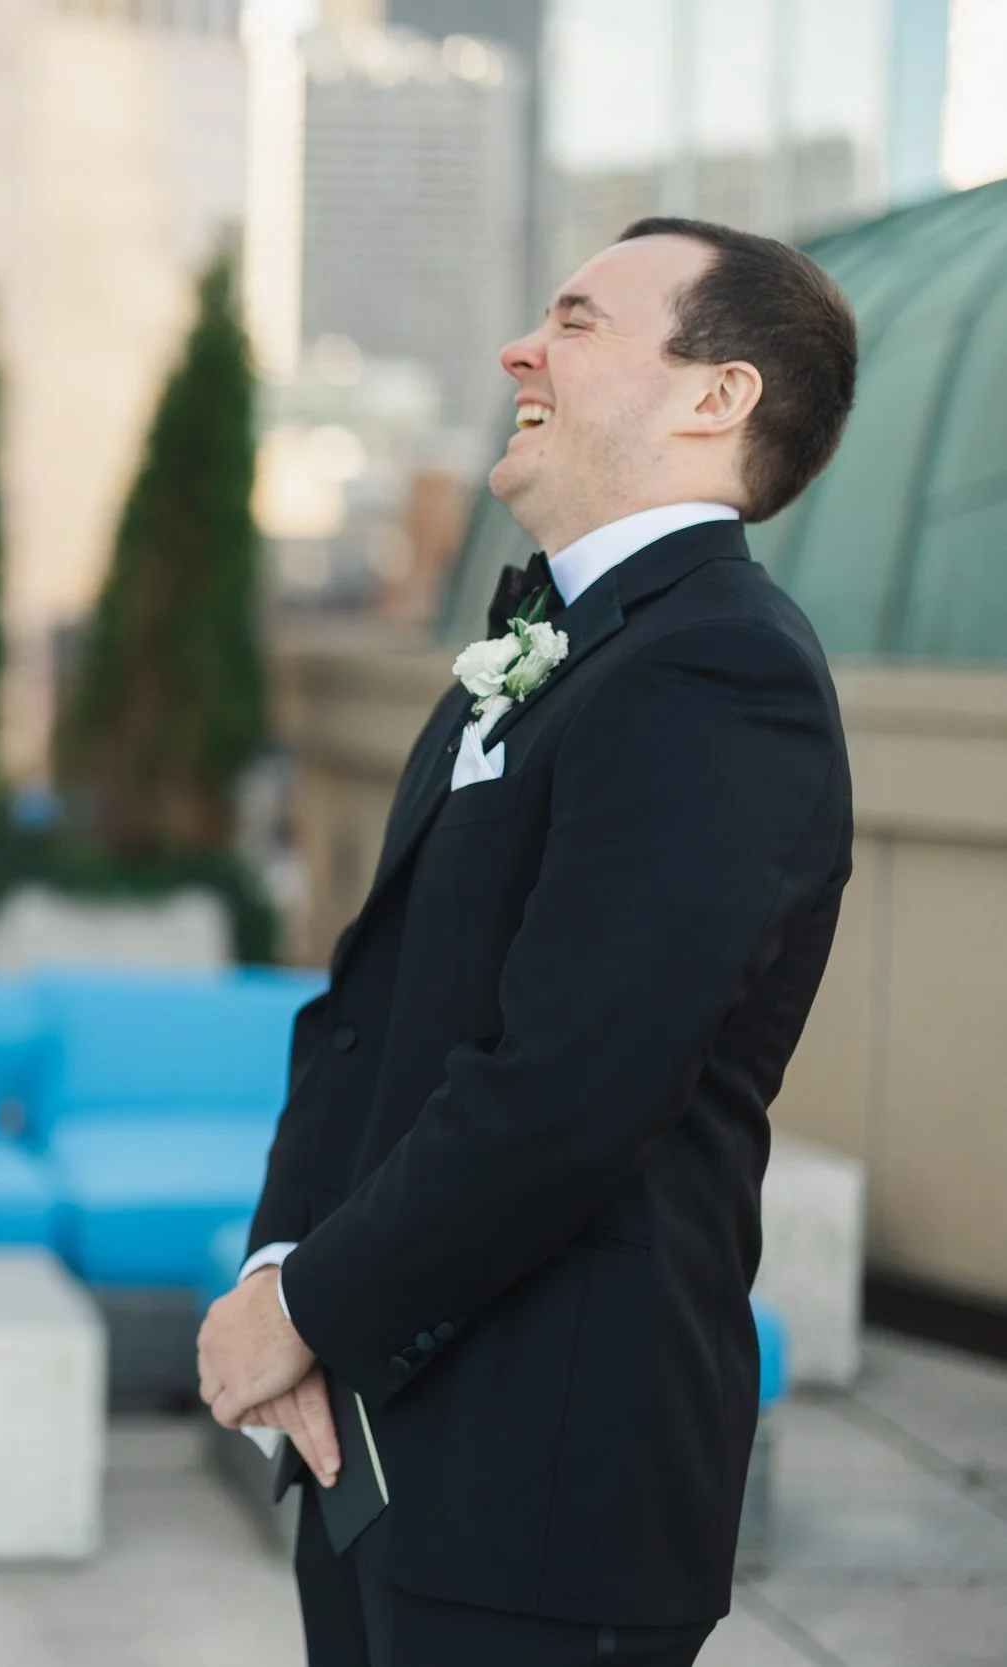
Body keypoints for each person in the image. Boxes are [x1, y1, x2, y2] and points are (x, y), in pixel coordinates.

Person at [198, 219, 861, 1666]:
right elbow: (365, 1014)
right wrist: (278, 1266)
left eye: (576, 318)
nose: (520, 347)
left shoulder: (720, 667)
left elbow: (572, 1080)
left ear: (715, 396)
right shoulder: (542, 646)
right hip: (369, 1445)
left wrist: (305, 1304)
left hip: (547, 1474)